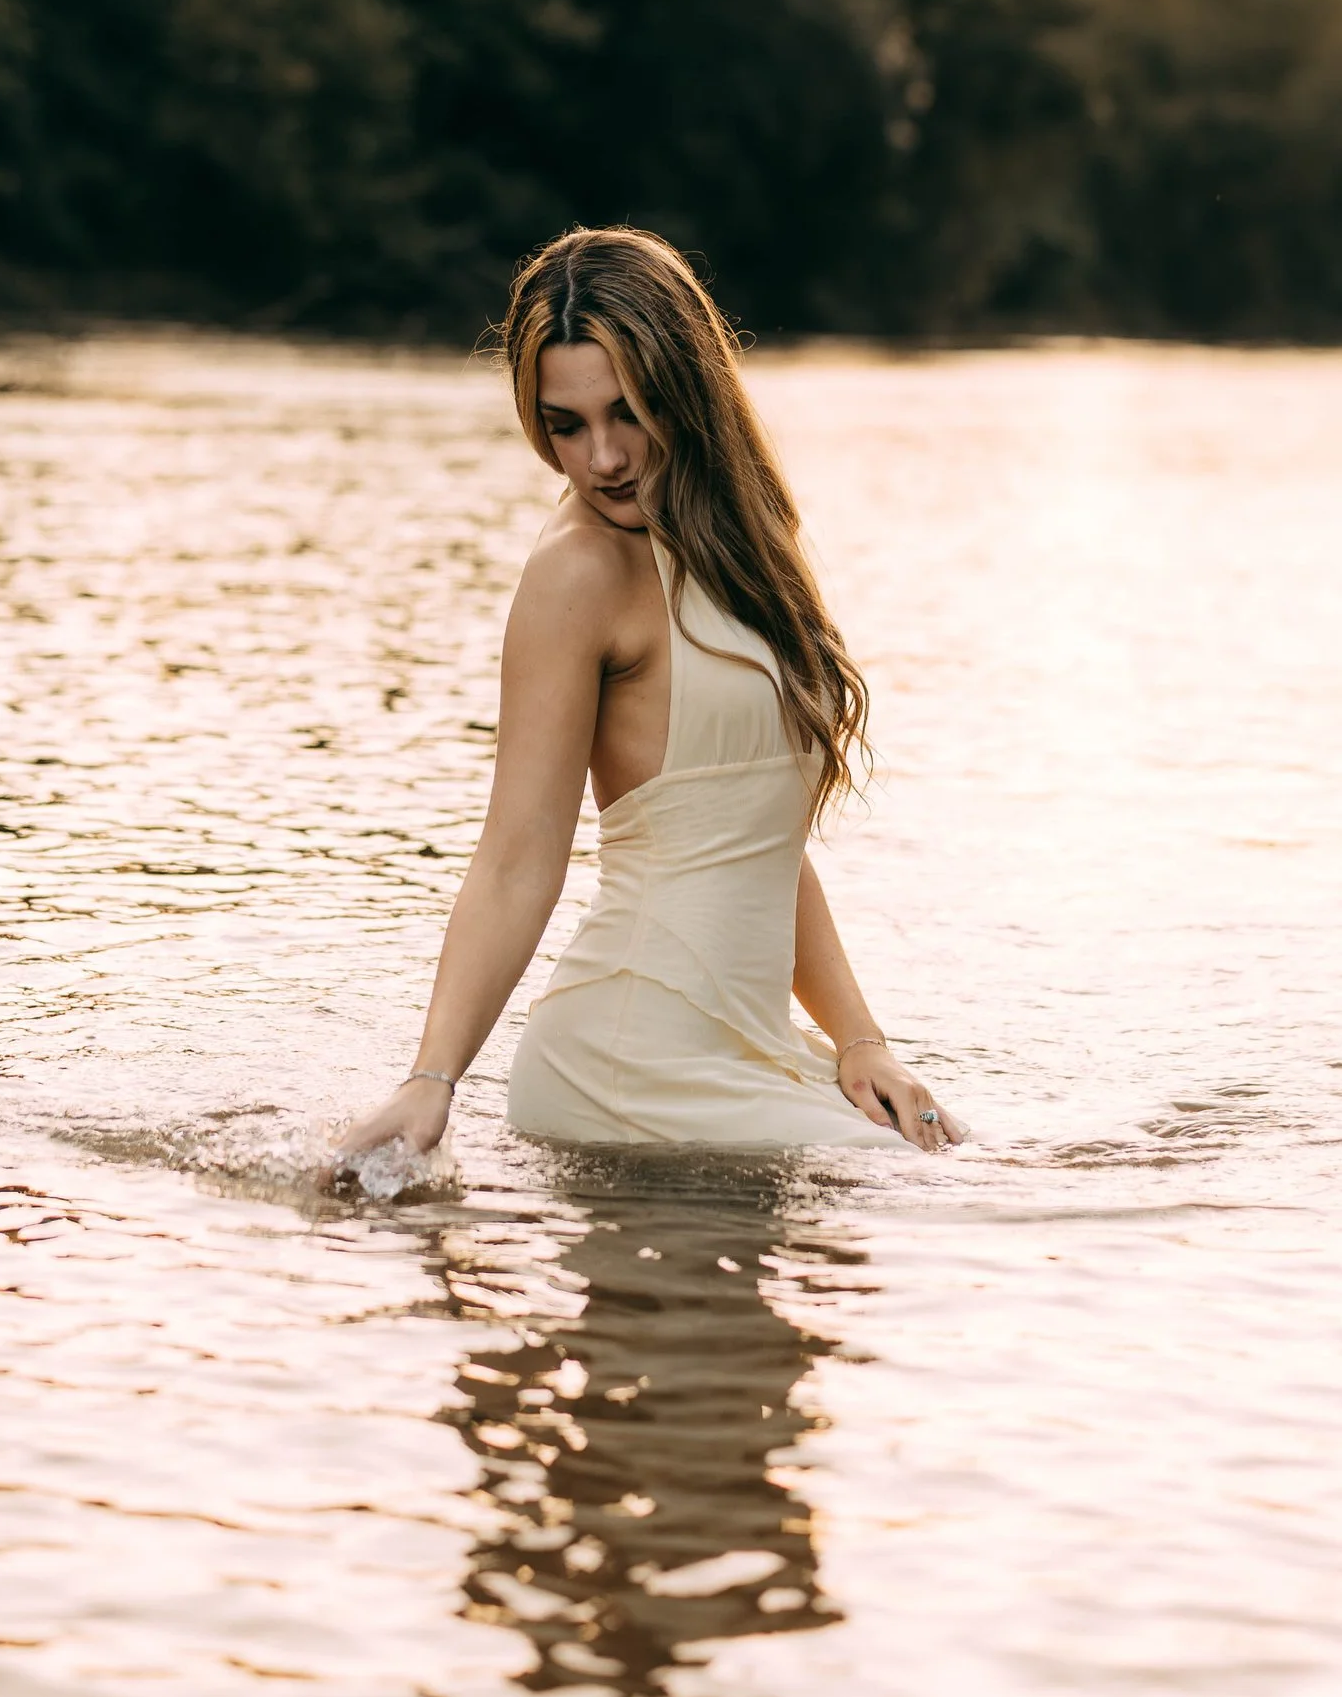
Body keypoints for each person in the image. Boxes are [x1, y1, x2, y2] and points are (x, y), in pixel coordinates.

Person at [333, 226, 962, 1170]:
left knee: (942, 1159)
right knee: (952, 1199)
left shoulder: (747, 547)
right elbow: (517, 854)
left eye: (629, 411)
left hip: (746, 1054)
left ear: (688, 388)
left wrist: (862, 1043)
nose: (604, 459)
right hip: (631, 1062)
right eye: (566, 425)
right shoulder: (578, 572)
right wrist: (432, 1081)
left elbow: (751, 837)